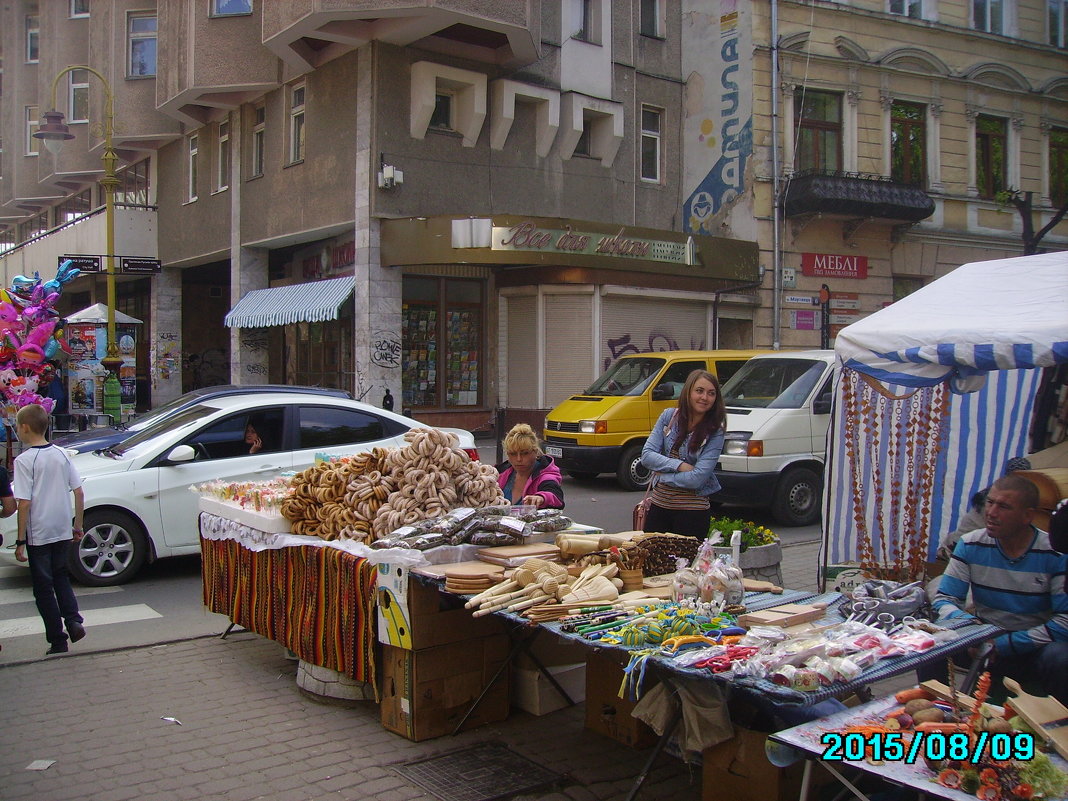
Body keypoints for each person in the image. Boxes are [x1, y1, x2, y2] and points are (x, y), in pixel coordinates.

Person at [927, 474, 1068, 704]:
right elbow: (945, 599)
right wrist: (972, 634)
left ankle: (1056, 727)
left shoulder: (1055, 553)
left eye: (1003, 506)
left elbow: (1064, 623)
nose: (991, 513)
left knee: (1061, 657)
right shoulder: (971, 544)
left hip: (1033, 647)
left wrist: (1004, 644)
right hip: (982, 640)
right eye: (990, 503)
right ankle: (937, 709)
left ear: (1027, 516)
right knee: (930, 642)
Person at [12, 403, 86, 656]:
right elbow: (79, 491)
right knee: (61, 576)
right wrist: (78, 525)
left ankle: (57, 638)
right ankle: (74, 620)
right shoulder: (62, 454)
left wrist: (20, 540)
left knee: (43, 587)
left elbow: (24, 503)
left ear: (24, 428)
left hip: (39, 531)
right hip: (62, 527)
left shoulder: (24, 461)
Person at [640, 369, 726, 539]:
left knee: (685, 566)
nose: (704, 398)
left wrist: (663, 477)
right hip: (659, 507)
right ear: (688, 392)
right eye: (699, 391)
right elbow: (647, 455)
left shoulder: (716, 431)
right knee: (651, 563)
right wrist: (679, 465)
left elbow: (697, 478)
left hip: (692, 513)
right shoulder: (668, 417)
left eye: (711, 393)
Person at [495, 423, 564, 508]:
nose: (519, 459)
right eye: (513, 454)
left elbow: (555, 496)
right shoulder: (500, 474)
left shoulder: (546, 475)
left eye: (525, 453)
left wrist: (542, 498)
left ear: (535, 452)